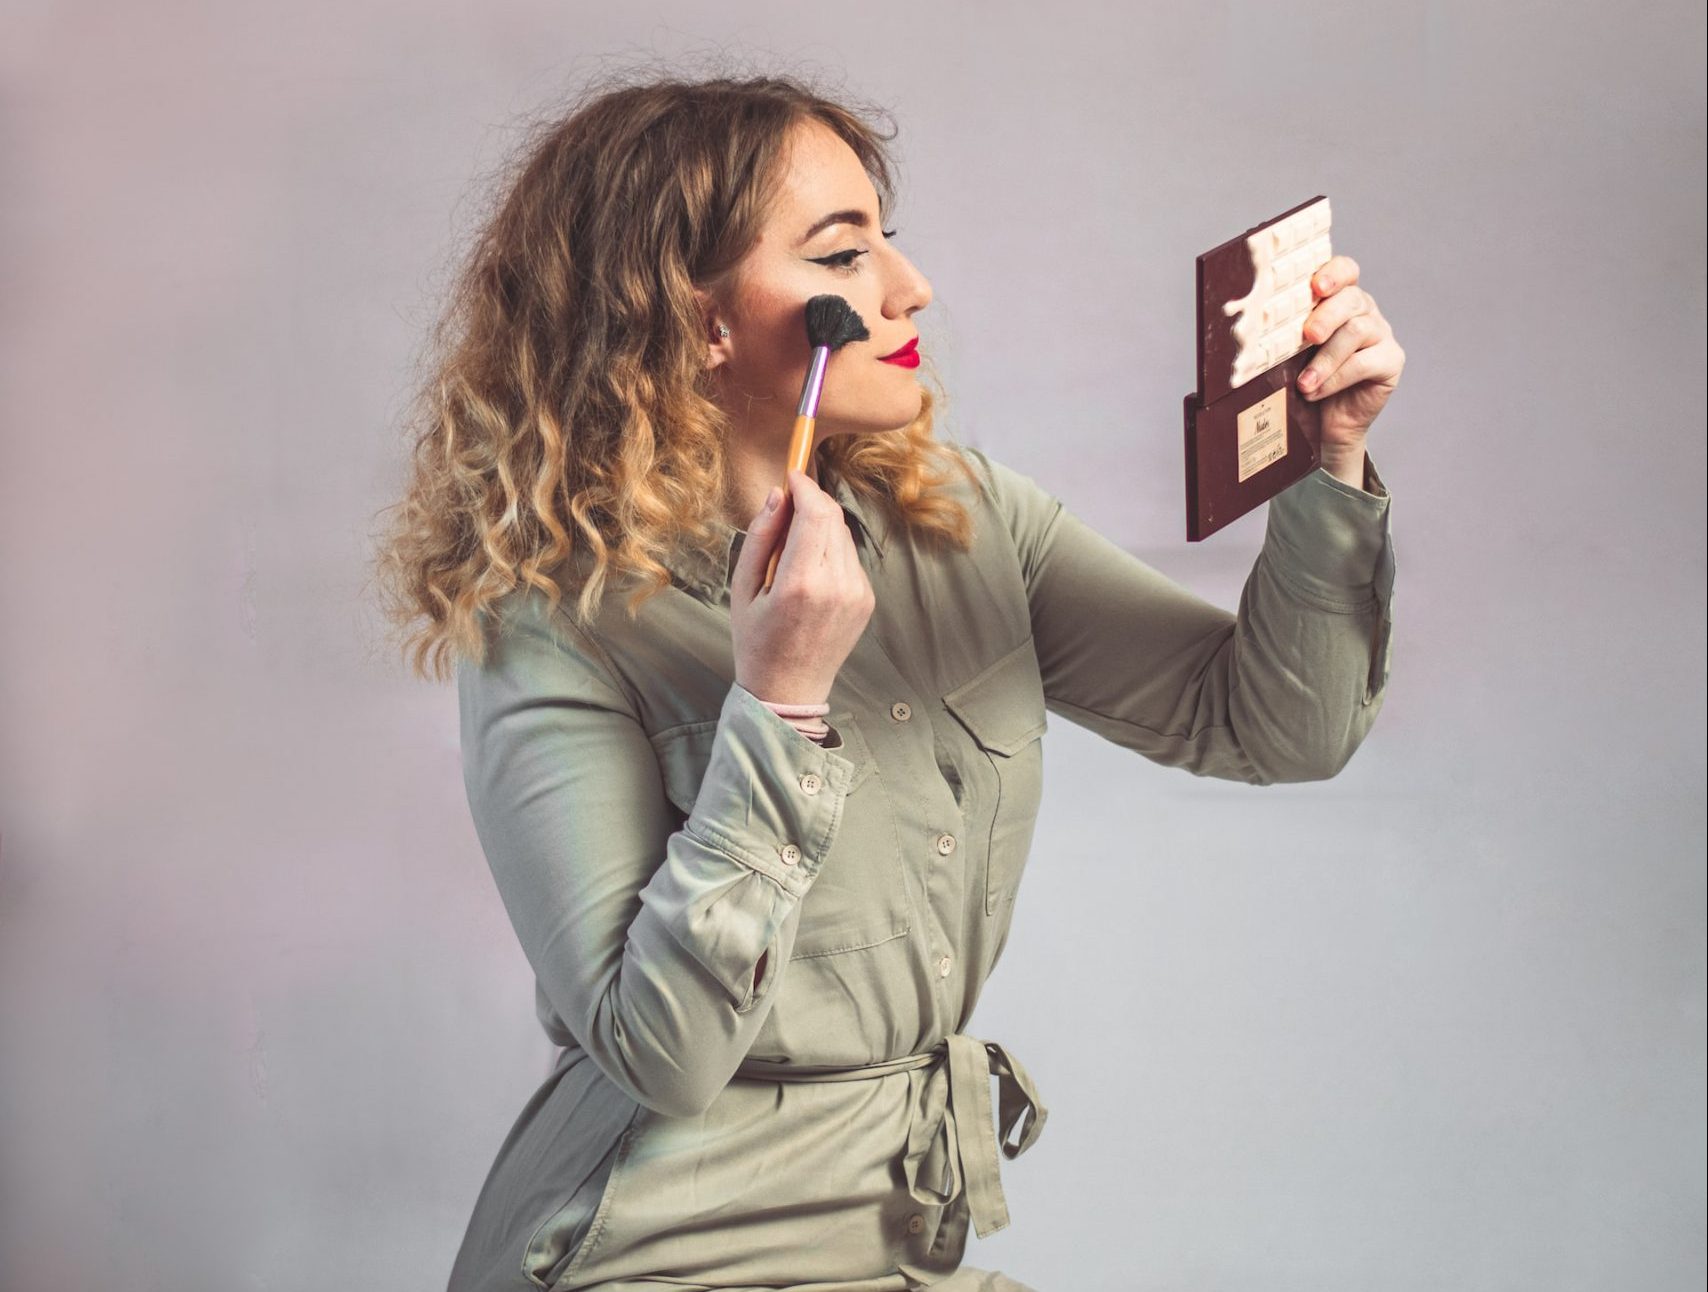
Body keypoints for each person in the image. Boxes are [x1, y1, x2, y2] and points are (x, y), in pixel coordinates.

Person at [370, 68, 1404, 1292]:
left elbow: (1276, 725)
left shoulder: (963, 519)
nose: (910, 289)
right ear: (695, 320)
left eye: (888, 243)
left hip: (906, 1225)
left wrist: (1326, 464)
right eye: (844, 256)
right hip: (660, 1244)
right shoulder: (550, 623)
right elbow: (663, 1053)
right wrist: (778, 703)